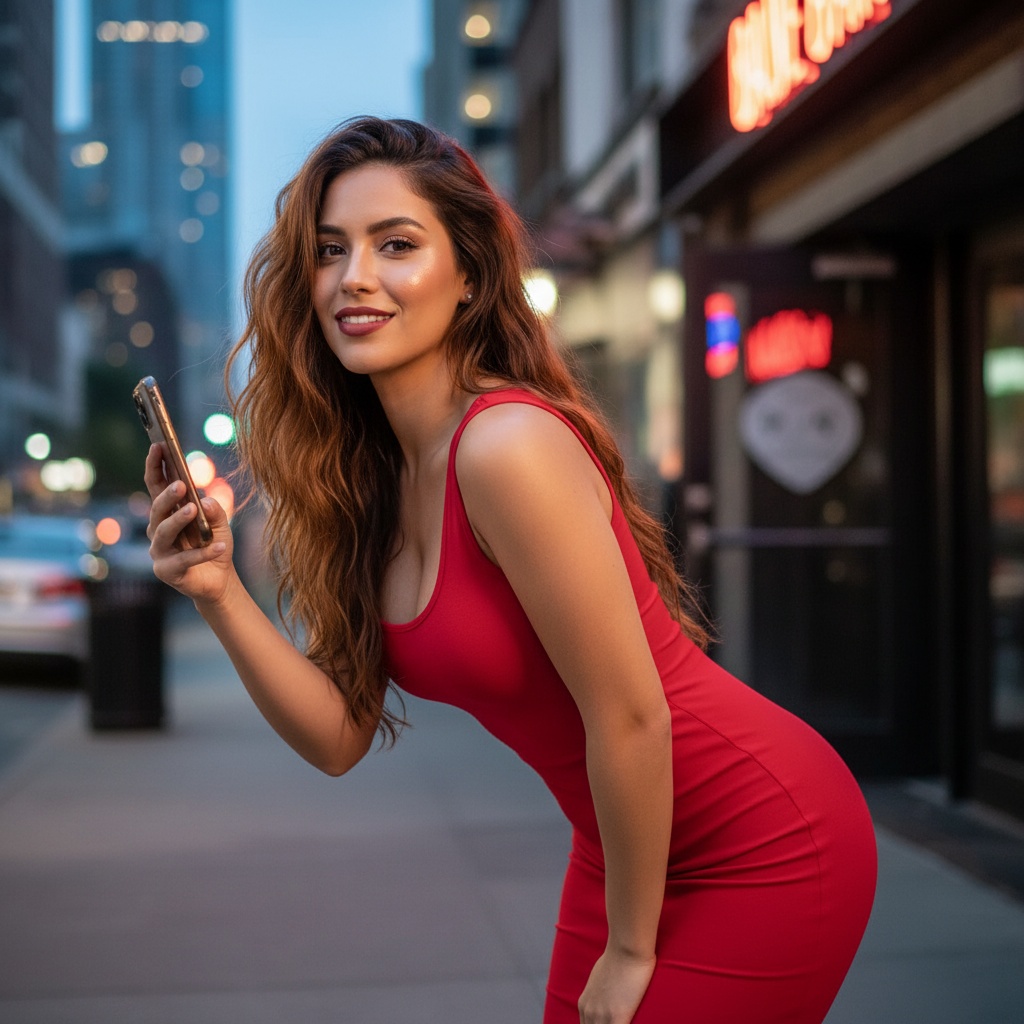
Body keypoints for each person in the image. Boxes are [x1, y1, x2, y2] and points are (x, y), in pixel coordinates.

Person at [144, 116, 876, 1024]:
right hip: (622, 845)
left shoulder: (507, 447)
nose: (354, 277)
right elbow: (337, 738)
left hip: (759, 839)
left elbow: (633, 713)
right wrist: (217, 591)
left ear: (470, 276)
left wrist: (630, 948)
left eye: (396, 244)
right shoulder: (373, 481)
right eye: (330, 250)